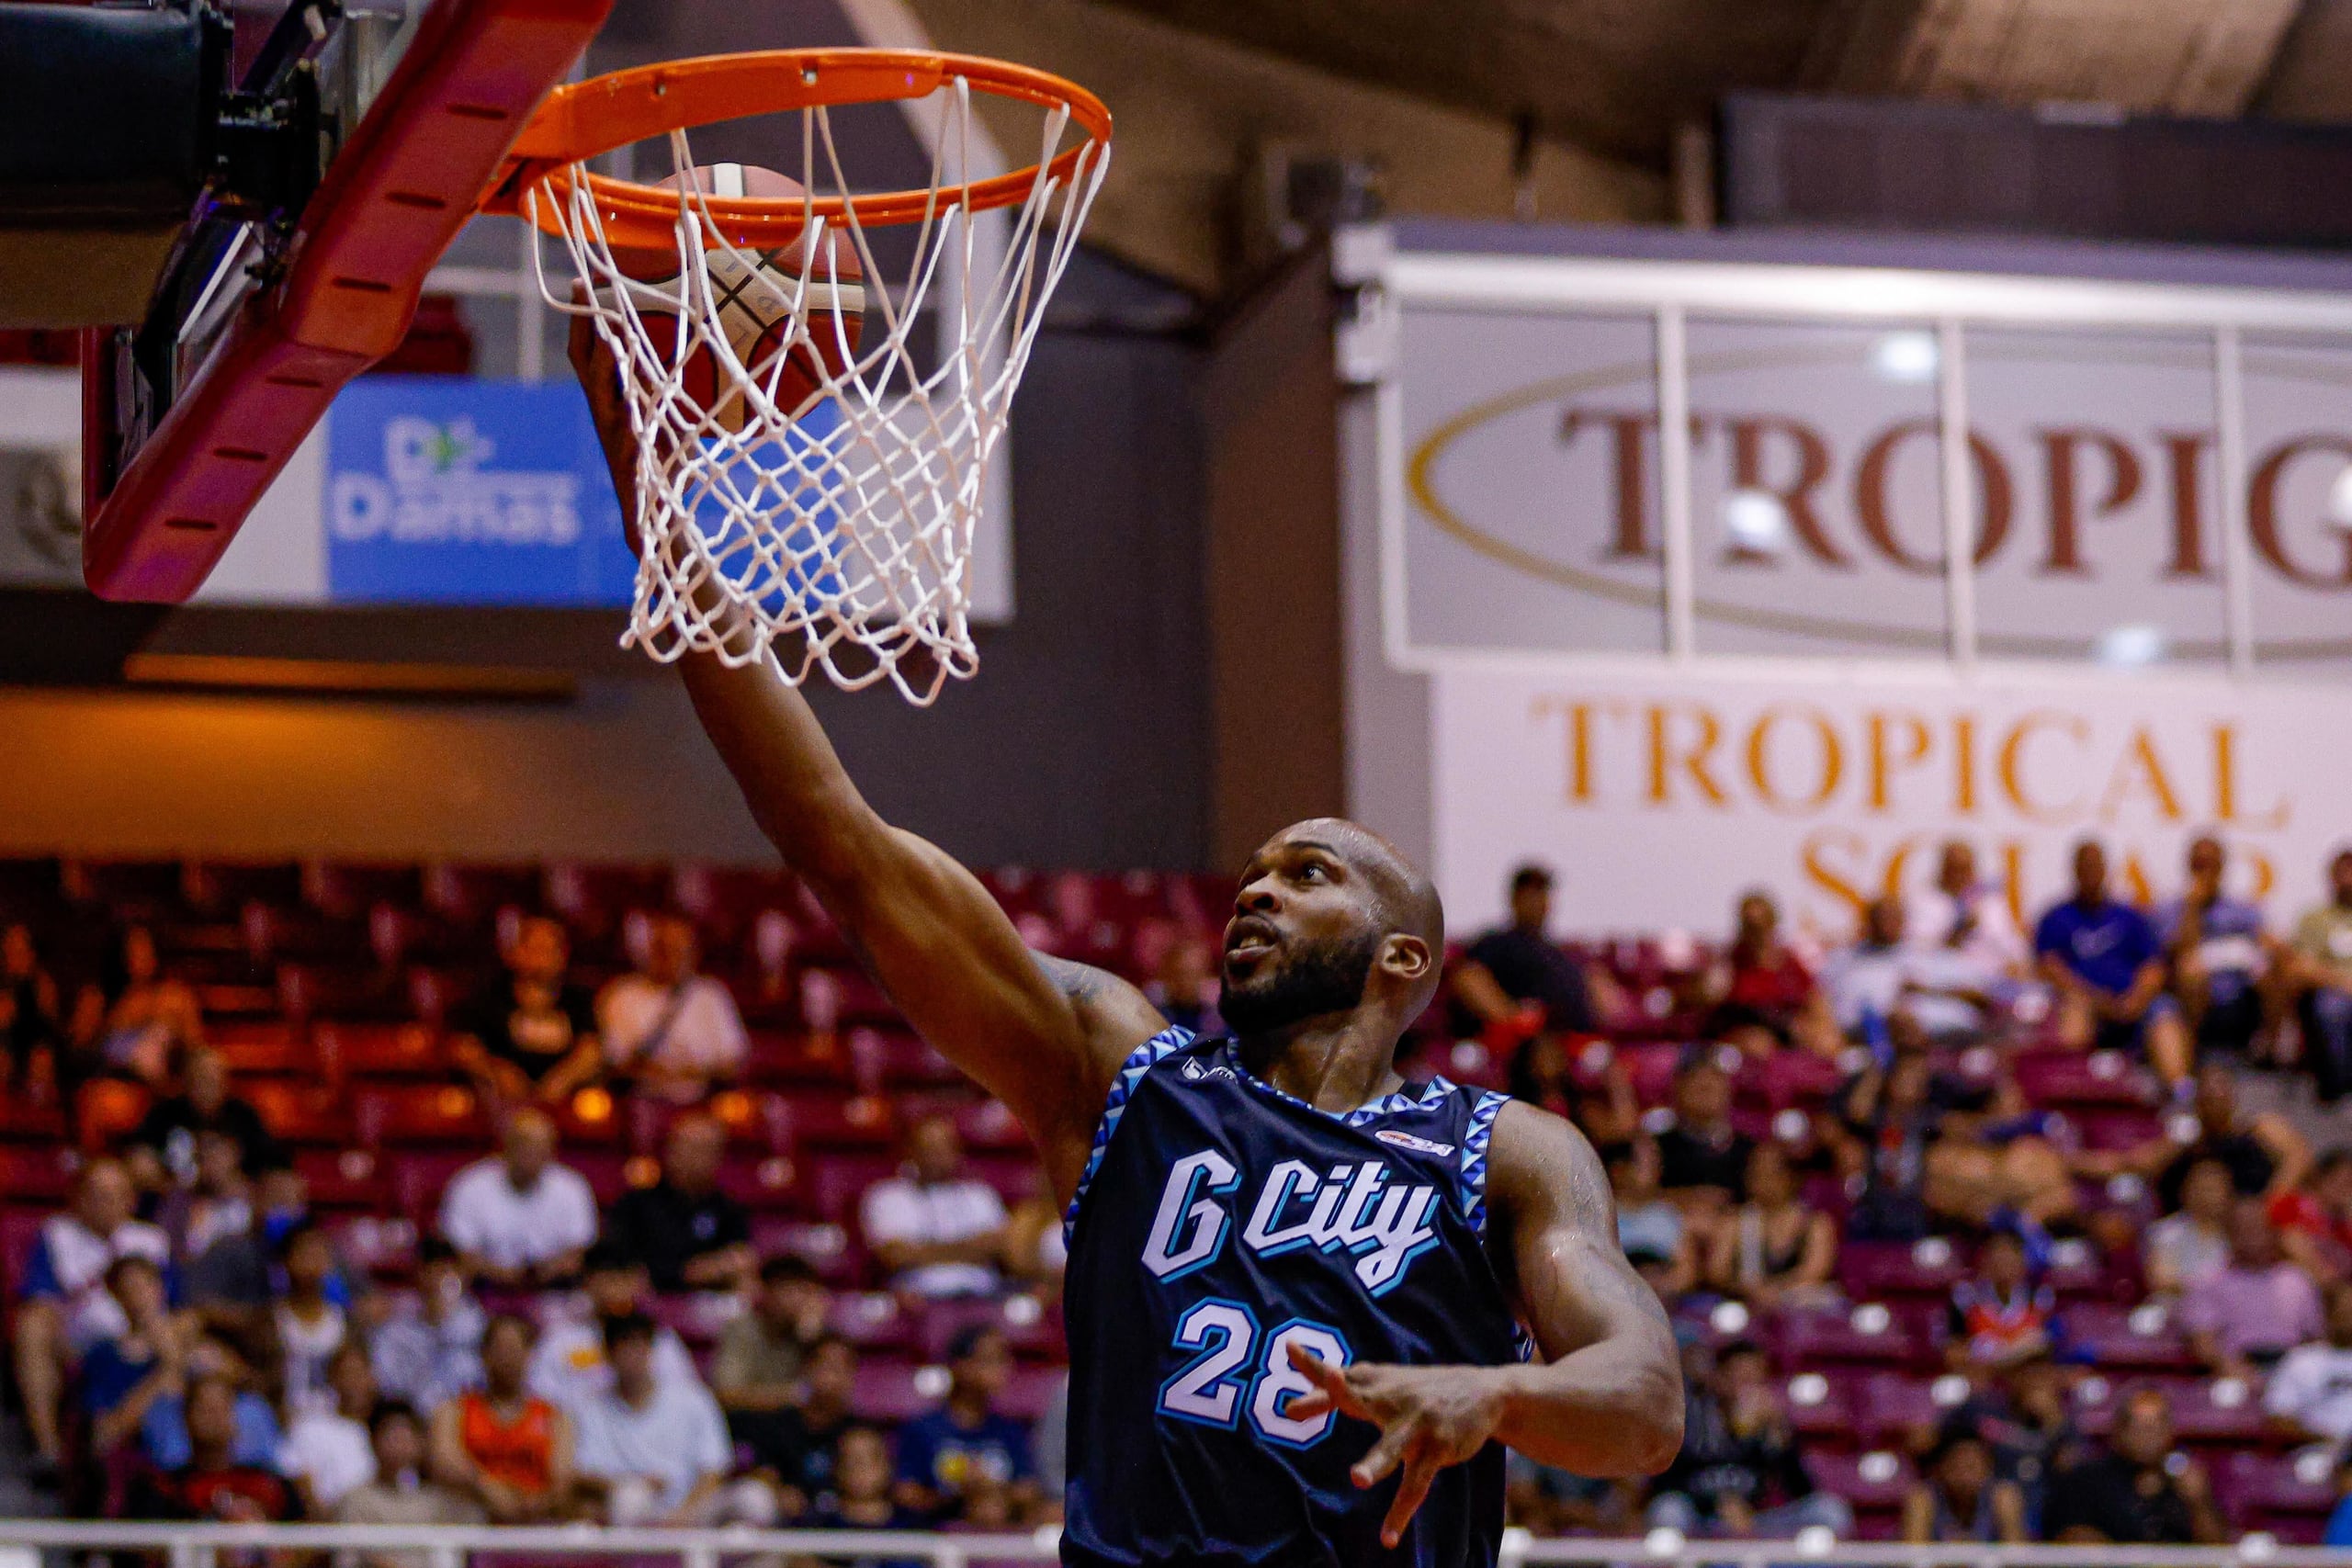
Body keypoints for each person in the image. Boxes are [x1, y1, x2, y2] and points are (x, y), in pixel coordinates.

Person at [573, 316, 1684, 1565]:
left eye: (1306, 874)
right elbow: (844, 843)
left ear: (1401, 958)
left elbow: (1644, 1404)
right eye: (1251, 872)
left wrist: (1496, 1396)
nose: (1255, 892)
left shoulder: (1507, 1149)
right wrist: (666, 540)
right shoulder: (1125, 1071)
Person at [13, 1156, 170, 1469]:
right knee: (30, 1325)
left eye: (116, 1195)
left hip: (147, 1337)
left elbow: (174, 1304)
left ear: (131, 1199)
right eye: (97, 1195)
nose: (106, 1203)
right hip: (77, 1342)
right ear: (79, 1198)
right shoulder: (58, 1234)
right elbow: (40, 1298)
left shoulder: (151, 1239)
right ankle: (49, 1450)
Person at [571, 1312, 776, 1527]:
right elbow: (584, 1473)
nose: (634, 1355)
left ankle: (758, 1561)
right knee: (630, 1496)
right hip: (639, 1513)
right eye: (625, 1347)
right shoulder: (593, 1409)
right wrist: (631, 1483)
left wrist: (685, 1513)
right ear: (609, 1355)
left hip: (697, 1509)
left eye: (640, 1346)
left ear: (651, 1350)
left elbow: (713, 1470)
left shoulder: (694, 1399)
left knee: (755, 1498)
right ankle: (633, 1560)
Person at [1645, 1340, 1851, 1539]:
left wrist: (1780, 1439)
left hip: (1755, 1522)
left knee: (1830, 1511)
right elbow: (1663, 1485)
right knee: (1668, 1510)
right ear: (1720, 1380)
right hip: (1701, 1521)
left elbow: (1801, 1492)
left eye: (1755, 1379)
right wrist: (1719, 1502)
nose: (1748, 1388)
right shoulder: (1692, 1418)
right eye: (1741, 1378)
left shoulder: (1770, 1424)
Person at [2034, 839, 2192, 1090]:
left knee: (2164, 1013)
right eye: (2085, 867)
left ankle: (2179, 1091)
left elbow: (2153, 967)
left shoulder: (2130, 916)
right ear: (2075, 871)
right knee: (2073, 1011)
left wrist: (2136, 1000)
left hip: (2132, 1004)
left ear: (2105, 870)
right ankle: (2068, 1090)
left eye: (2095, 867)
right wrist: (2094, 999)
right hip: (2084, 1001)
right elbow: (2049, 968)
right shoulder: (2055, 917)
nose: (2091, 874)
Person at [430, 1313, 574, 1524]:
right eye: (500, 1349)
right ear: (484, 1355)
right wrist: (485, 1487)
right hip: (472, 1514)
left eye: (515, 1349)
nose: (508, 1357)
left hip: (534, 1516)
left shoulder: (554, 1417)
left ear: (529, 1355)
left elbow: (563, 1476)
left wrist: (538, 1502)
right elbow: (444, 1463)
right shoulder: (454, 1410)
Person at [526, 1242, 701, 1415]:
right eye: (609, 1279)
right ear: (587, 1283)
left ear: (639, 1282)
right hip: (579, 1435)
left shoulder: (662, 1341)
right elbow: (540, 1401)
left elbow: (685, 1402)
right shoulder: (560, 1341)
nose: (616, 1289)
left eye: (624, 1279)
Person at [447, 915, 603, 1105]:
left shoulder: (578, 1000)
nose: (543, 958)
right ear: (516, 953)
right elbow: (465, 1048)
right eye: (535, 949)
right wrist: (496, 1071)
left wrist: (561, 1081)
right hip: (501, 1104)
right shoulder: (489, 998)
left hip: (563, 1102)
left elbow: (591, 1051)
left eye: (551, 950)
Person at [436, 1107, 598, 1289]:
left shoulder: (572, 1187)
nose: (531, 1158)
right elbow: (461, 1252)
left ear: (552, 1152)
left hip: (551, 1289)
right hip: (483, 1289)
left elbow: (577, 1253)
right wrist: (502, 1275)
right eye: (524, 1147)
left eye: (540, 1150)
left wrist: (546, 1271)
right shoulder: (469, 1185)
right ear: (506, 1146)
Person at [597, 912, 748, 1105]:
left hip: (700, 1104)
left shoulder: (712, 995)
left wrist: (687, 1073)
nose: (669, 957)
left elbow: (732, 1061)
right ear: (649, 950)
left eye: (677, 949)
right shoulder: (620, 994)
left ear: (693, 953)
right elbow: (611, 1060)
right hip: (635, 1102)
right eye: (662, 949)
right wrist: (655, 1073)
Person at [2039, 1385, 2221, 1544]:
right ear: (2119, 1431)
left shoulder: (2187, 1487)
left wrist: (2199, 1504)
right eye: (2140, 1427)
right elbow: (2071, 1541)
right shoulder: (2086, 1481)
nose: (2149, 1437)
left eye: (2157, 1426)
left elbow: (2217, 1552)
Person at [892, 1325, 1038, 1521]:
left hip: (999, 1534)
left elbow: (1028, 1490)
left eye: (1004, 1359)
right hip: (938, 1537)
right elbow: (905, 1493)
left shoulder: (1009, 1430)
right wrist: (959, 1494)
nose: (1004, 1367)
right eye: (991, 1359)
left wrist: (992, 1489)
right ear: (960, 1366)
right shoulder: (923, 1430)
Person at [1446, 864, 1608, 1040]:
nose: (1539, 901)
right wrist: (1513, 1017)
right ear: (1515, 898)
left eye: (1543, 893)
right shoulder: (1497, 943)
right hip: (1530, 1045)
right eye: (1532, 893)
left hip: (1577, 1042)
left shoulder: (1559, 952)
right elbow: (1468, 977)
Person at [858, 1114, 1011, 1300]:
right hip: (920, 1301)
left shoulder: (981, 1195)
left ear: (957, 1151)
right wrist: (970, 1249)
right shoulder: (886, 1196)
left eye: (944, 1148)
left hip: (982, 1297)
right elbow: (895, 1256)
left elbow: (999, 1248)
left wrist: (920, 1252)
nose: (937, 1156)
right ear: (910, 1151)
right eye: (929, 1149)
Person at [2157, 833, 2279, 1061]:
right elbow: (2175, 953)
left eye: (2211, 865)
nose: (2205, 873)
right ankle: (2190, 1055)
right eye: (2199, 865)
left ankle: (2267, 1052)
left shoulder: (2241, 908)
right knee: (2190, 970)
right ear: (2189, 867)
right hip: (2195, 991)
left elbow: (2266, 943)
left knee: (2274, 970)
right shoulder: (2172, 908)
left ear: (2222, 867)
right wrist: (2193, 908)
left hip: (2240, 986)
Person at [604, 1111, 755, 1292]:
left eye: (710, 1150)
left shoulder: (728, 1208)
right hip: (647, 1304)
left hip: (710, 1307)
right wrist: (690, 1272)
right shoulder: (635, 1205)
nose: (699, 1158)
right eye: (692, 1148)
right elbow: (623, 1267)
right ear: (670, 1150)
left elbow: (740, 1257)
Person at [333, 1400, 486, 1568]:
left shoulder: (440, 1501)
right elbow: (350, 1558)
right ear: (373, 1441)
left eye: (407, 1436)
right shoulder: (356, 1500)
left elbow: (476, 1527)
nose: (400, 1445)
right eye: (392, 1436)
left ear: (421, 1442)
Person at [128, 1371, 298, 1521]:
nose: (215, 1418)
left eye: (222, 1408)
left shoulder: (269, 1485)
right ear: (186, 1418)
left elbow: (306, 1545)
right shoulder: (165, 1489)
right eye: (205, 1409)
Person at [2180, 1198, 2324, 1376]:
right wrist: (2233, 1370)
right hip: (2234, 1369)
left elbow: (2315, 1339)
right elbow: (2204, 1344)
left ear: (2273, 1233)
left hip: (2292, 1370)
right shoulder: (2208, 1281)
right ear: (2229, 1235)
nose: (2252, 1238)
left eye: (2258, 1229)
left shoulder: (2297, 1279)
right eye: (2243, 1230)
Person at [1822, 897, 1994, 1042]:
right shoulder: (1845, 961)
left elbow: (1981, 997)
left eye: (1893, 918)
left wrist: (1925, 990)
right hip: (1870, 1042)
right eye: (1881, 918)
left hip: (1946, 1040)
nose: (1887, 924)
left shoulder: (1926, 955)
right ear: (1868, 922)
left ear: (1904, 921)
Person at [1691, 891, 1839, 1059]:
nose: (1757, 932)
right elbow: (1711, 1000)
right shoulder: (1730, 962)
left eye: (1762, 924)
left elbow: (1815, 1000)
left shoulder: (1789, 963)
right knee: (1758, 1046)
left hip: (1787, 1028)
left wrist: (1819, 1027)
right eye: (1751, 926)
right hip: (1746, 1031)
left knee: (1826, 1042)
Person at [128, 1043, 282, 1194]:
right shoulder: (164, 1113)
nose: (205, 1088)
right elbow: (139, 1157)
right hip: (173, 1201)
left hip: (235, 1204)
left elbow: (273, 1166)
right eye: (199, 1079)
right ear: (185, 1081)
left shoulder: (244, 1116)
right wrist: (166, 1183)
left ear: (225, 1082)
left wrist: (238, 1180)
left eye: (212, 1080)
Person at [713, 1254, 831, 1445]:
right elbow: (726, 1395)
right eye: (786, 1290)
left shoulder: (812, 1332)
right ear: (766, 1292)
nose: (795, 1299)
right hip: (745, 1429)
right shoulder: (741, 1330)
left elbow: (825, 1395)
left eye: (802, 1291)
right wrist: (788, 1396)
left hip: (796, 1434)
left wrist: (811, 1339)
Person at [68, 923, 204, 1089]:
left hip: (153, 1090)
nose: (140, 955)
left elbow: (195, 1050)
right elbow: (78, 1047)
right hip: (105, 1085)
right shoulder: (100, 998)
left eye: (144, 947)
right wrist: (109, 1022)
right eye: (132, 949)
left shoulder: (175, 997)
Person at [82, 1254, 191, 1458]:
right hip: (142, 1459)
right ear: (117, 1297)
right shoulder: (105, 1355)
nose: (138, 1296)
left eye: (144, 1286)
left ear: (160, 1288)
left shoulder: (195, 1342)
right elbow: (104, 1435)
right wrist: (168, 1367)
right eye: (129, 1289)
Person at [1705, 1143, 1837, 1311]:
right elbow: (1717, 1271)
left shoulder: (1815, 1223)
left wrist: (1774, 1290)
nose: (1762, 1180)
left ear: (1792, 1177)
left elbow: (1815, 1270)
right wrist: (1748, 1289)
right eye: (1756, 1172)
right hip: (1747, 1305)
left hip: (1798, 1306)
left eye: (1771, 1173)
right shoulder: (1734, 1221)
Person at [369, 1235, 485, 1413]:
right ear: (419, 1276)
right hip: (415, 1419)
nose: (439, 1282)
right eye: (432, 1272)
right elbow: (388, 1385)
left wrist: (445, 1322)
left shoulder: (478, 1325)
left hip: (467, 1418)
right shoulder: (396, 1331)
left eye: (446, 1272)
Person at [278, 1340, 379, 1517]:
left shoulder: (386, 1428)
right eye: (347, 1374)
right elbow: (299, 1479)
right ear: (332, 1379)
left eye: (361, 1373)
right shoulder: (310, 1427)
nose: (354, 1383)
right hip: (330, 1528)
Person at [1906, 840, 2030, 977]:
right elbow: (1918, 951)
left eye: (1965, 869)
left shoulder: (1990, 902)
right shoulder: (1924, 901)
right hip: (1946, 979)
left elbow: (2010, 941)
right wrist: (1958, 932)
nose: (1960, 876)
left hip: (1995, 978)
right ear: (1943, 870)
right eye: (1954, 869)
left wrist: (2018, 962)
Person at [1944, 1229, 2058, 1371]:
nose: (2002, 1262)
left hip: (2025, 1376)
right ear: (1983, 1260)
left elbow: (2045, 1346)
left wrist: (1992, 1358)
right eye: (1996, 1254)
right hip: (1980, 1379)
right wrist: (2016, 1353)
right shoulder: (1965, 1297)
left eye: (2009, 1255)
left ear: (2022, 1261)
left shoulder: (2041, 1297)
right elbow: (1954, 1353)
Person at [1653, 1053, 1754, 1205]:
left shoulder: (1750, 1151)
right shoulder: (1656, 1150)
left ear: (1728, 1090)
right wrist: (1686, 1198)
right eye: (1695, 1079)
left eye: (1714, 1079)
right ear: (1678, 1090)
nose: (1705, 1085)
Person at [2292, 847, 2352, 1100]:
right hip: (2333, 990)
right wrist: (2344, 982)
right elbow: (2302, 966)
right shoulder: (2315, 918)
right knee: (2333, 1009)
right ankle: (2344, 1090)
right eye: (2344, 872)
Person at [274, 1219, 349, 1417]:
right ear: (287, 1260)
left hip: (335, 1422)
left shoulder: (345, 1322)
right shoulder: (270, 1321)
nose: (312, 1259)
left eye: (318, 1252)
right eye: (304, 1252)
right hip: (286, 1422)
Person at [1602, 1138, 1694, 1297]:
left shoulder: (1668, 1216)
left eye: (1657, 1164)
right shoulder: (1601, 1216)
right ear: (1619, 1170)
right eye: (1647, 1165)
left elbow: (1686, 1270)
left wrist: (1663, 1288)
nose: (1657, 1171)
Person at [2262, 1280, 2352, 1442]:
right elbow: (2280, 1416)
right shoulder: (2301, 1359)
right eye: (2344, 1314)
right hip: (2316, 1451)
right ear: (2329, 1315)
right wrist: (2325, 1441)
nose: (2348, 1322)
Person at [1901, 1429, 2026, 1543]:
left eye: (1972, 1467)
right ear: (1940, 1469)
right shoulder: (1923, 1498)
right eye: (1957, 1467)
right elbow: (1913, 1556)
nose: (1965, 1477)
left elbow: (2017, 1555)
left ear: (1988, 1469)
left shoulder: (2003, 1496)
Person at [2143, 1156, 2234, 1297]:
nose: (2210, 1196)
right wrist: (2208, 1286)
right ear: (2186, 1191)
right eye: (2204, 1189)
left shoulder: (2238, 1235)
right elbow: (2160, 1280)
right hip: (2178, 1311)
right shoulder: (2165, 1232)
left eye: (2216, 1189)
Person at [2270, 1148, 2352, 1284]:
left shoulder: (2345, 1228)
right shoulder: (2290, 1204)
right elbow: (2283, 1240)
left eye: (2349, 1184)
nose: (2344, 1189)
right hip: (2292, 1282)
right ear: (2320, 1179)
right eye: (2338, 1181)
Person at [0, 919, 63, 1092]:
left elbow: (47, 1035)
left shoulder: (41, 988)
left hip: (32, 1070)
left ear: (32, 954)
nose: (13, 957)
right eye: (9, 950)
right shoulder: (5, 987)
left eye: (20, 951)